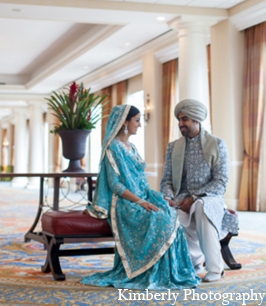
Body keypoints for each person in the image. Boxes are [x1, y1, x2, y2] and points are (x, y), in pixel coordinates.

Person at [81, 104, 200, 290]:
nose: (139, 125)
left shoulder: (132, 147)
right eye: (136, 121)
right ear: (125, 122)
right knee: (157, 218)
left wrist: (158, 198)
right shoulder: (112, 148)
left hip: (141, 197)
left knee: (168, 211)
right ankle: (145, 272)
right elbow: (116, 185)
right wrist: (140, 201)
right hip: (123, 202)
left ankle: (168, 272)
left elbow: (142, 183)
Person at [160, 99, 239, 283]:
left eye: (185, 119)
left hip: (209, 198)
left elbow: (221, 181)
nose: (180, 124)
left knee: (202, 207)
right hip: (180, 199)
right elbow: (168, 180)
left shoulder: (217, 144)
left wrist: (195, 197)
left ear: (196, 120)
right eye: (179, 119)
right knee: (164, 210)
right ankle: (193, 261)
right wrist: (168, 197)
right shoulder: (173, 147)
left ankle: (216, 268)